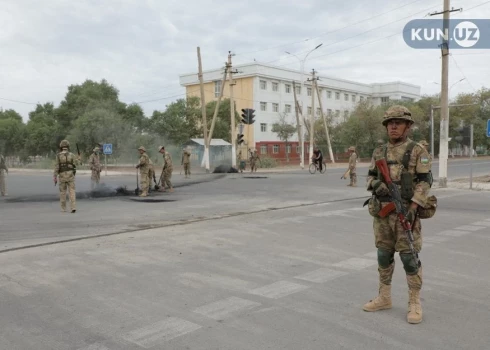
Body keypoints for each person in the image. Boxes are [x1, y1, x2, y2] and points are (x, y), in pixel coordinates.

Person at [363, 105, 433, 324]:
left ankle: (414, 302)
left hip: (406, 212)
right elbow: (369, 177)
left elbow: (425, 181)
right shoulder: (378, 152)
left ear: (408, 126)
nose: (393, 126)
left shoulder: (417, 151)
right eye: (389, 123)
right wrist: (376, 184)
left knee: (409, 257)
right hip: (383, 214)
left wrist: (412, 208)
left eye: (398, 123)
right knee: (383, 255)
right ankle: (384, 297)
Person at [53, 140, 78, 213]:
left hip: (62, 176)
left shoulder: (58, 155)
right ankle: (73, 207)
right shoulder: (72, 155)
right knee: (72, 191)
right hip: (70, 175)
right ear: (68, 146)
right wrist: (79, 159)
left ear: (61, 147)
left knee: (63, 192)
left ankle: (63, 208)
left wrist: (55, 176)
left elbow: (57, 167)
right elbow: (76, 164)